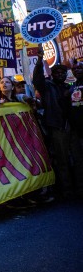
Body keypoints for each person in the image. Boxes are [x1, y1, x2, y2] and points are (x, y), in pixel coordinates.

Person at [34, 48, 83, 198]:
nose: (60, 75)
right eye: (57, 73)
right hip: (58, 128)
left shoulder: (70, 87)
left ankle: (80, 188)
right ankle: (67, 190)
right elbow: (37, 80)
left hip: (73, 128)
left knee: (78, 159)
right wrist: (40, 61)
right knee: (62, 161)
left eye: (63, 72)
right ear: (52, 75)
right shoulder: (47, 87)